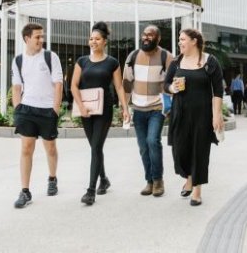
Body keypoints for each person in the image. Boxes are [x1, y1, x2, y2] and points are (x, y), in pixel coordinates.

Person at [71, 21, 130, 205]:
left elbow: (119, 87)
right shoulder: (82, 61)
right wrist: (80, 106)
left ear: (104, 41)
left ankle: (90, 191)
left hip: (104, 109)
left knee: (96, 147)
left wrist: (125, 108)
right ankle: (103, 179)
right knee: (95, 147)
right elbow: (73, 85)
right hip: (86, 110)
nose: (93, 41)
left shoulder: (112, 62)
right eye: (91, 38)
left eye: (97, 39)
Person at [164, 28, 224, 206]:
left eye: (182, 39)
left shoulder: (209, 62)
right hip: (180, 112)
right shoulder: (176, 62)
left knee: (199, 150)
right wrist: (172, 88)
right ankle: (189, 177)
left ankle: (197, 189)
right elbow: (165, 85)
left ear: (194, 41)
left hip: (202, 114)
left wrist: (217, 115)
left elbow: (218, 91)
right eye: (179, 40)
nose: (179, 42)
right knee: (180, 150)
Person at [11, 23, 63, 208]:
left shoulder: (50, 57)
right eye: (37, 37)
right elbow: (16, 86)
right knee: (26, 149)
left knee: (50, 148)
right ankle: (25, 191)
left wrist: (55, 110)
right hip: (27, 109)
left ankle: (52, 178)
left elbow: (58, 84)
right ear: (27, 39)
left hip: (47, 109)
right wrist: (18, 109)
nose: (41, 40)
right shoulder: (18, 60)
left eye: (42, 36)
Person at [123, 25, 173, 197]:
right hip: (138, 109)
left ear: (158, 39)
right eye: (144, 34)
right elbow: (127, 84)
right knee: (143, 147)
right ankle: (149, 181)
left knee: (153, 141)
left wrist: (169, 105)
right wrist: (125, 108)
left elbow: (173, 82)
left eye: (150, 35)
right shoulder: (133, 56)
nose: (146, 37)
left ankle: (158, 180)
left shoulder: (166, 57)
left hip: (156, 108)